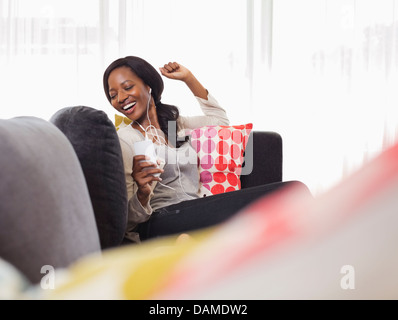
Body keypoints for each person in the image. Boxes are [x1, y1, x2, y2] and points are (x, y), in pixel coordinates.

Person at [103, 56, 309, 243]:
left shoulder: (177, 125)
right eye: (113, 95)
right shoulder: (126, 139)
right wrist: (143, 194)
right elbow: (127, 222)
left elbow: (220, 122)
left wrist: (189, 78)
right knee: (291, 192)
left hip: (195, 211)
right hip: (158, 221)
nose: (120, 98)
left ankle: (190, 244)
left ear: (149, 86)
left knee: (291, 194)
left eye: (127, 87)